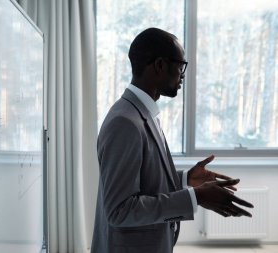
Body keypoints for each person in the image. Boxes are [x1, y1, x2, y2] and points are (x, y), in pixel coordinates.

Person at [91, 27, 254, 253]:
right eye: (180, 65)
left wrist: (185, 179)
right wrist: (195, 197)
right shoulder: (125, 122)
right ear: (159, 65)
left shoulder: (142, 113)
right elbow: (120, 210)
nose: (183, 74)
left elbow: (143, 182)